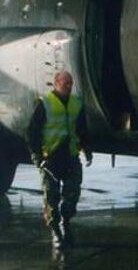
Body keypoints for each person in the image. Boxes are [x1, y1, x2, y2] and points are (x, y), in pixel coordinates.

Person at [26, 71, 92, 249]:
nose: (69, 87)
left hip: (70, 156)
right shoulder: (44, 104)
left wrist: (87, 150)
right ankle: (55, 230)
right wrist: (36, 156)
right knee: (51, 197)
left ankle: (66, 222)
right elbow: (32, 132)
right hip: (51, 158)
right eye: (65, 84)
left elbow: (82, 129)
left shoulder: (76, 104)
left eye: (70, 84)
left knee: (72, 194)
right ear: (56, 83)